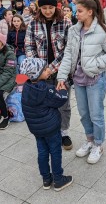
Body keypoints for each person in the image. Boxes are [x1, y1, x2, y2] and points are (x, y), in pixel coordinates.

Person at [57, 0, 106, 164]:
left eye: (80, 11)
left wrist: (95, 64)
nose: (76, 14)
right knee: (84, 114)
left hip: (95, 80)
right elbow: (68, 54)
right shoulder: (73, 31)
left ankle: (98, 144)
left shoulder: (104, 30)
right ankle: (90, 140)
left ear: (90, 12)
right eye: (76, 11)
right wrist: (62, 76)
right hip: (78, 80)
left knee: (96, 114)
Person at [25, 0, 73, 150]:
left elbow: (69, 49)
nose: (47, 11)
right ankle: (52, 131)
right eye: (44, 7)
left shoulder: (65, 23)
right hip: (41, 73)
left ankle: (64, 132)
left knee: (63, 103)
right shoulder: (33, 23)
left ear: (56, 6)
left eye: (50, 7)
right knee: (46, 103)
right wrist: (39, 68)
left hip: (61, 71)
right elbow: (29, 46)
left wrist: (51, 69)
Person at [20, 58, 73, 191]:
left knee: (42, 152)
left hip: (36, 129)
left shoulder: (26, 87)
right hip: (51, 128)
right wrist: (63, 91)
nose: (48, 70)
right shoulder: (45, 90)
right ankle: (59, 179)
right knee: (55, 152)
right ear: (37, 74)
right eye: (44, 69)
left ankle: (46, 179)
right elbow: (60, 100)